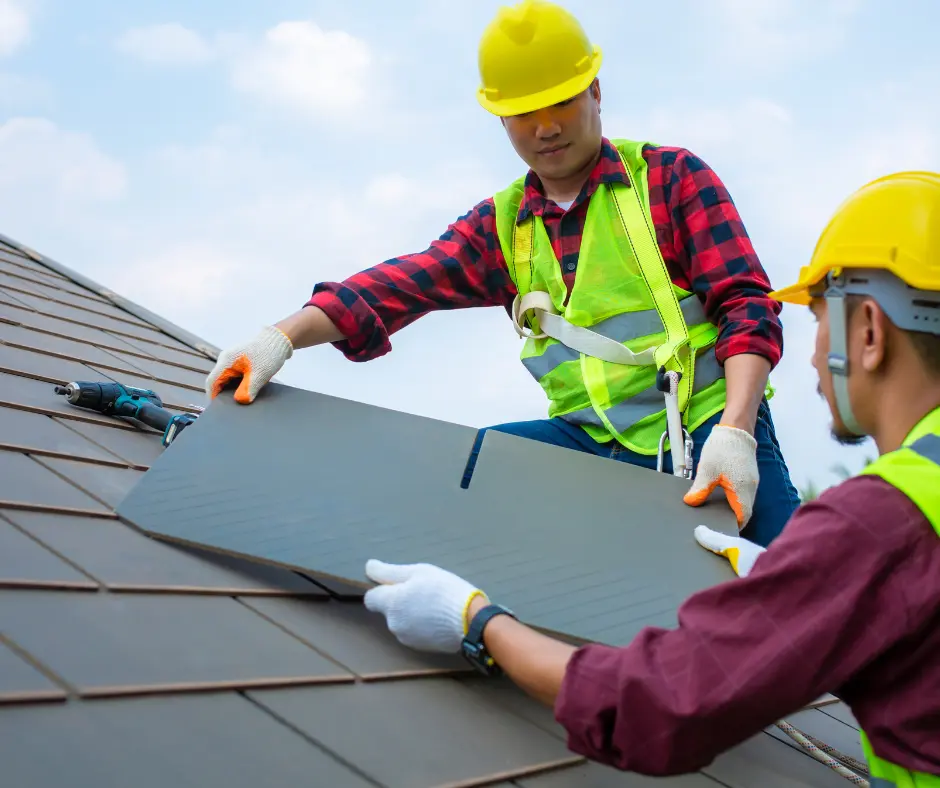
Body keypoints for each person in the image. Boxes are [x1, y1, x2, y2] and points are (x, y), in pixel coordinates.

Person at [361, 170, 940, 783]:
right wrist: (805, 587)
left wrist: (476, 620)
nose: (815, 353)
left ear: (870, 332)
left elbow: (662, 705)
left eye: (822, 320)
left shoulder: (883, 518)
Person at [205, 0, 800, 547]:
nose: (546, 127)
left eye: (562, 101)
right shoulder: (502, 225)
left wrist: (737, 431)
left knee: (800, 583)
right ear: (501, 121)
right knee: (472, 471)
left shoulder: (669, 179)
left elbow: (746, 305)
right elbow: (401, 284)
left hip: (708, 428)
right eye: (523, 112)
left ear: (595, 91)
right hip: (587, 443)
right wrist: (279, 338)